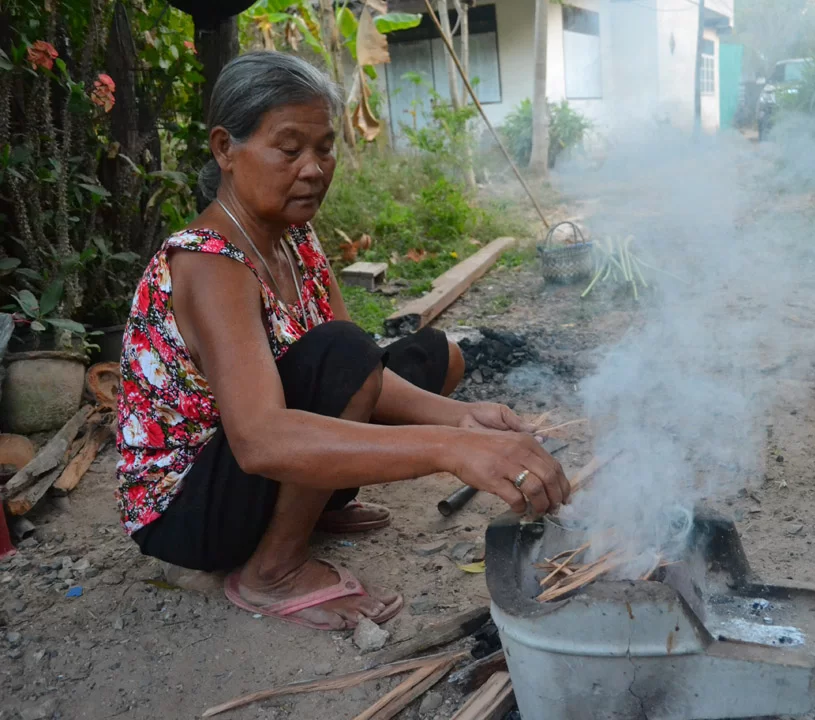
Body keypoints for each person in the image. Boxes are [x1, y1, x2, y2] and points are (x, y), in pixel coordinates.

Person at [116, 51, 569, 631]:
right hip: (189, 509)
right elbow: (259, 440)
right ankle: (271, 571)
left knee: (431, 354)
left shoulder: (294, 237)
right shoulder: (208, 265)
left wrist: (462, 420)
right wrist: (450, 450)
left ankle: (308, 509)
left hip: (250, 473)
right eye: (289, 148)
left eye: (324, 148)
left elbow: (366, 380)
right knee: (345, 347)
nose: (313, 168)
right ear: (226, 149)